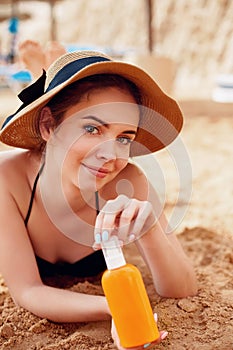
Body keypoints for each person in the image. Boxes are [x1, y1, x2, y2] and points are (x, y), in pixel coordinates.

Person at [0, 49, 197, 350]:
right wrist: (115, 307)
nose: (110, 155)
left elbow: (183, 289)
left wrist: (149, 229)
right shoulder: (7, 180)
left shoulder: (127, 181)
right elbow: (27, 291)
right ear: (48, 126)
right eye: (92, 129)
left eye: (123, 138)